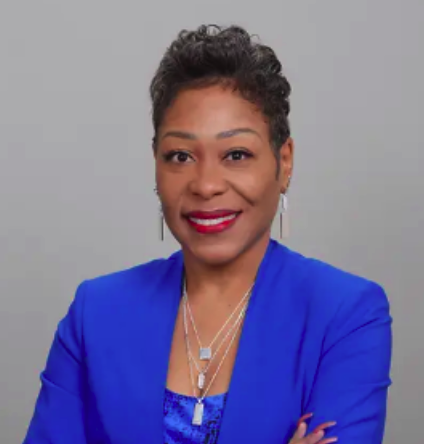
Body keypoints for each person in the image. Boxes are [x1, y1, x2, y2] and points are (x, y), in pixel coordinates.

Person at [22, 25, 392, 444]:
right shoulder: (96, 313)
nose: (206, 185)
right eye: (180, 156)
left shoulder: (345, 315)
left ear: (284, 162)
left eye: (236, 154)